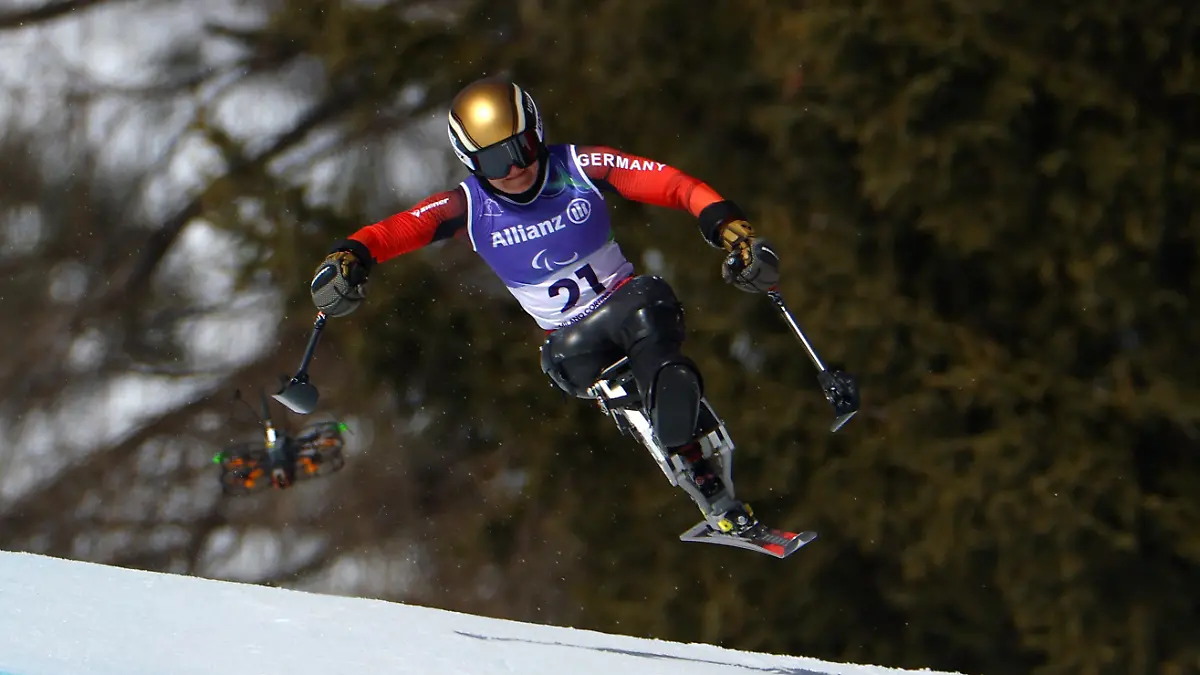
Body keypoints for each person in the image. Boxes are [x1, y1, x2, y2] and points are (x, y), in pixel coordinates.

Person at [309, 77, 780, 533]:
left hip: (630, 304)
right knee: (616, 338)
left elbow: (674, 184)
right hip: (571, 347)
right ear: (470, 162)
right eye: (494, 161)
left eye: (522, 149)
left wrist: (726, 226)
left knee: (650, 306)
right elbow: (394, 230)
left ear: (538, 134)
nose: (514, 169)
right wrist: (349, 256)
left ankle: (678, 419)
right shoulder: (469, 207)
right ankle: (667, 405)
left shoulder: (579, 166)